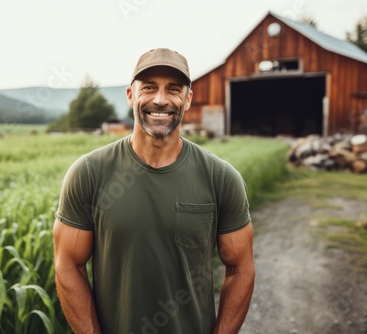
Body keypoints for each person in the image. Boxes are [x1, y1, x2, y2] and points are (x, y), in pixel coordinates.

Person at [53, 48, 255, 334]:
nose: (160, 100)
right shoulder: (88, 173)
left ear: (188, 99)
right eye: (149, 88)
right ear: (130, 95)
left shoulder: (221, 178)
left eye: (173, 89)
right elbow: (68, 264)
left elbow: (240, 268)